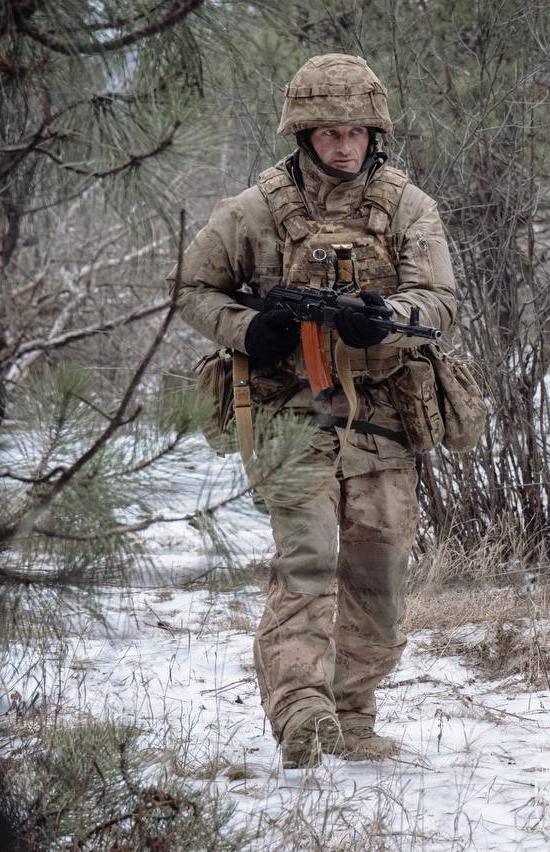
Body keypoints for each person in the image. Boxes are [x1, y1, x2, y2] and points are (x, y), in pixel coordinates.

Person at [171, 54, 456, 768]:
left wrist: (385, 318)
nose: (344, 146)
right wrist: (251, 330)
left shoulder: (408, 208)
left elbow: (440, 302)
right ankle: (302, 713)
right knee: (306, 563)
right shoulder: (254, 211)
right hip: (290, 414)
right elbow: (194, 289)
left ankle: (352, 716)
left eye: (356, 132)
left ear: (373, 133)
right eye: (329, 133)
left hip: (383, 418)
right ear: (303, 135)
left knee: (379, 579)